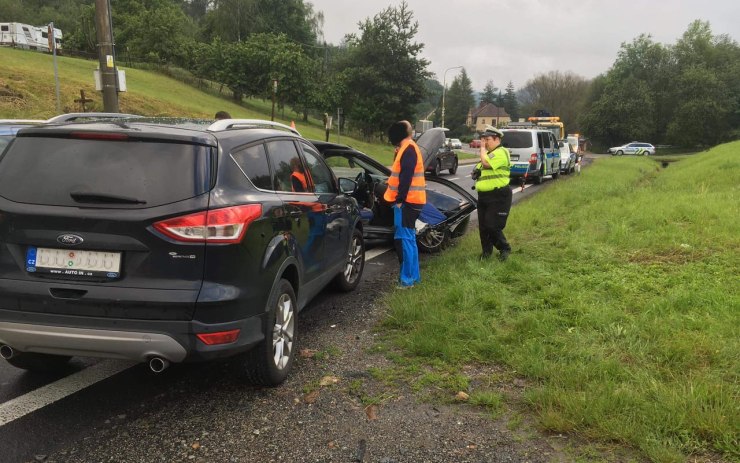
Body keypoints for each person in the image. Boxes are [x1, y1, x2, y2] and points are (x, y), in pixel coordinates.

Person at [383, 120, 426, 288]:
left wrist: (400, 200)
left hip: (407, 203)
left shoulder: (408, 148)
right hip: (412, 201)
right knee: (410, 240)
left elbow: (406, 177)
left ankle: (407, 281)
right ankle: (414, 277)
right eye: (410, 128)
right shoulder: (407, 148)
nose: (412, 129)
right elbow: (402, 172)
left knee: (405, 240)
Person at [473, 125, 512, 261]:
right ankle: (486, 253)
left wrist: (482, 149)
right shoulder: (489, 154)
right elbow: (480, 168)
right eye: (483, 140)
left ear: (496, 139)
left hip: (498, 195)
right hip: (484, 196)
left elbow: (486, 164)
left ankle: (504, 248)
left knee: (492, 225)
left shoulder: (501, 152)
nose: (484, 142)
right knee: (483, 227)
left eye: (487, 139)